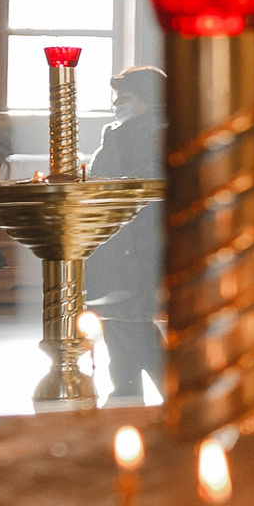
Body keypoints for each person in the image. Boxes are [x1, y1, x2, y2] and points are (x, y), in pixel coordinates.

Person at [85, 66, 166, 402]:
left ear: (147, 101)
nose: (117, 104)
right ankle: (124, 395)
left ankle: (174, 393)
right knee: (115, 320)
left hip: (139, 243)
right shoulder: (121, 132)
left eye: (126, 97)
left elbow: (142, 186)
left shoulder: (157, 136)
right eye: (116, 97)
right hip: (114, 241)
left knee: (129, 320)